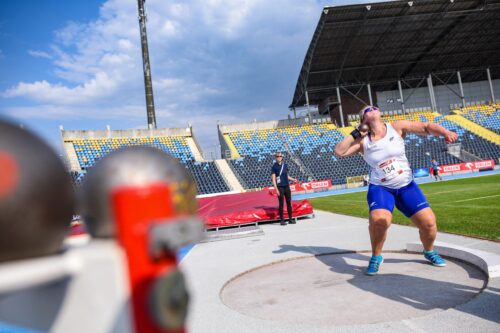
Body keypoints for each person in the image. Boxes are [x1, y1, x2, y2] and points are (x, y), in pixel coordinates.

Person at [334, 106, 458, 275]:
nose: (372, 109)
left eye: (374, 107)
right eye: (368, 109)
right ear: (363, 119)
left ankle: (429, 251)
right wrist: (356, 133)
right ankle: (376, 257)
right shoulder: (363, 141)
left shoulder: (396, 127)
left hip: (406, 186)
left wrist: (445, 132)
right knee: (380, 221)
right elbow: (339, 151)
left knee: (429, 223)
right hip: (381, 188)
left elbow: (426, 127)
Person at [271, 152, 298, 225]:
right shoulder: (274, 167)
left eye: (280, 156)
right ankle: (282, 220)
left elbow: (287, 176)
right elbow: (273, 179)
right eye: (278, 156)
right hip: (280, 187)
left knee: (289, 203)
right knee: (281, 204)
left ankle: (290, 219)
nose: (279, 157)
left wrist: (293, 179)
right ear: (275, 157)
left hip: (286, 186)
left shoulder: (285, 165)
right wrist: (276, 189)